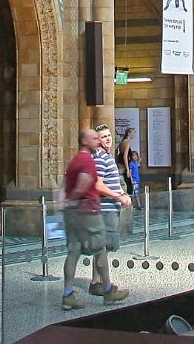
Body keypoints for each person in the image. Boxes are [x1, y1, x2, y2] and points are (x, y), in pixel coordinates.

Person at [61, 129, 129, 310]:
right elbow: (84, 185)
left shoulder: (75, 159)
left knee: (74, 252)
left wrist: (66, 203)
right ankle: (107, 291)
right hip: (87, 212)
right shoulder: (87, 160)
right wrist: (74, 199)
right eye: (94, 138)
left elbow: (64, 184)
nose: (98, 141)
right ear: (85, 141)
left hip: (74, 213)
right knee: (101, 249)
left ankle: (67, 294)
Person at [92, 124, 128, 252]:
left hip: (112, 208)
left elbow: (112, 180)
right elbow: (98, 185)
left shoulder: (108, 157)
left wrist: (122, 193)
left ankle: (103, 273)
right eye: (103, 137)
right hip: (105, 211)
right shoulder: (100, 158)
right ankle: (100, 273)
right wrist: (119, 197)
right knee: (103, 250)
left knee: (107, 249)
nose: (108, 139)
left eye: (109, 135)